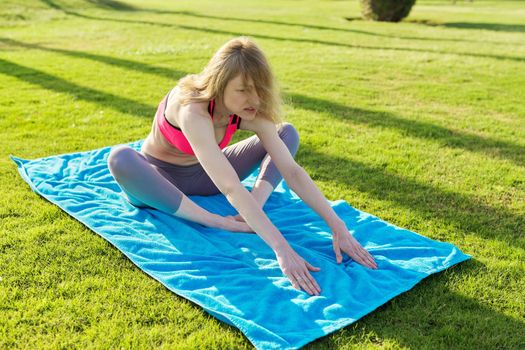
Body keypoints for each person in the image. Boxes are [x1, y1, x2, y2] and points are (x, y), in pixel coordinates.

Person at [108, 36, 377, 297]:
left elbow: (292, 171)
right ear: (219, 83)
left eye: (259, 88)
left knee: (286, 132)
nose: (255, 99)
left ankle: (256, 203)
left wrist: (337, 225)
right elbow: (230, 187)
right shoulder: (193, 110)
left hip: (206, 176)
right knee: (120, 158)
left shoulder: (247, 110)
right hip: (160, 181)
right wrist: (281, 248)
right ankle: (218, 221)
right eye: (243, 90)